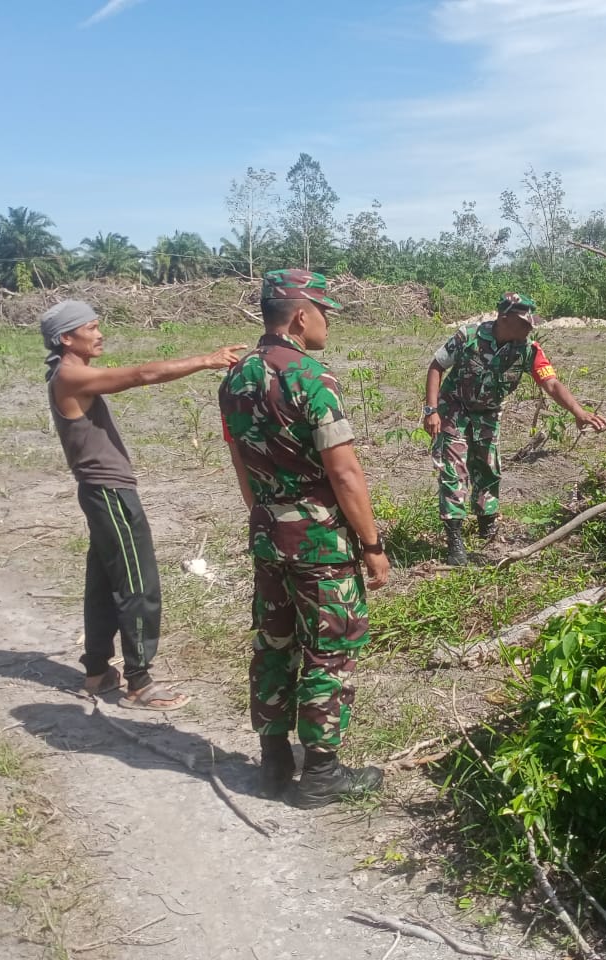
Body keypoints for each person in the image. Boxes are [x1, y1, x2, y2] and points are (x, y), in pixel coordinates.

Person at [219, 269, 390, 808]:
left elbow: (241, 462)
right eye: (323, 311)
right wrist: (371, 544)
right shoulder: (313, 380)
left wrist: (268, 517)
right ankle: (320, 770)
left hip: (270, 534)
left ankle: (273, 760)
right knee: (329, 650)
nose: (327, 321)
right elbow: (344, 474)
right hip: (319, 543)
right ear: (299, 315)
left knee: (273, 641)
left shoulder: (235, 379)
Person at [41, 299, 245, 709]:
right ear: (67, 338)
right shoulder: (71, 375)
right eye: (91, 328)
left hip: (100, 492)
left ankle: (97, 671)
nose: (99, 334)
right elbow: (141, 374)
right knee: (138, 583)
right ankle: (139, 681)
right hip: (110, 494)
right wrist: (205, 360)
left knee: (102, 584)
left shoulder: (67, 374)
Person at [423, 292, 606, 565]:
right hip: (454, 410)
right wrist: (431, 410)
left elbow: (552, 384)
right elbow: (437, 366)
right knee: (454, 472)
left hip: (488, 414)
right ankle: (455, 540)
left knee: (488, 468)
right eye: (525, 322)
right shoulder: (468, 336)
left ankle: (487, 524)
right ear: (504, 317)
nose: (530, 328)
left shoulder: (529, 350)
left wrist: (578, 412)